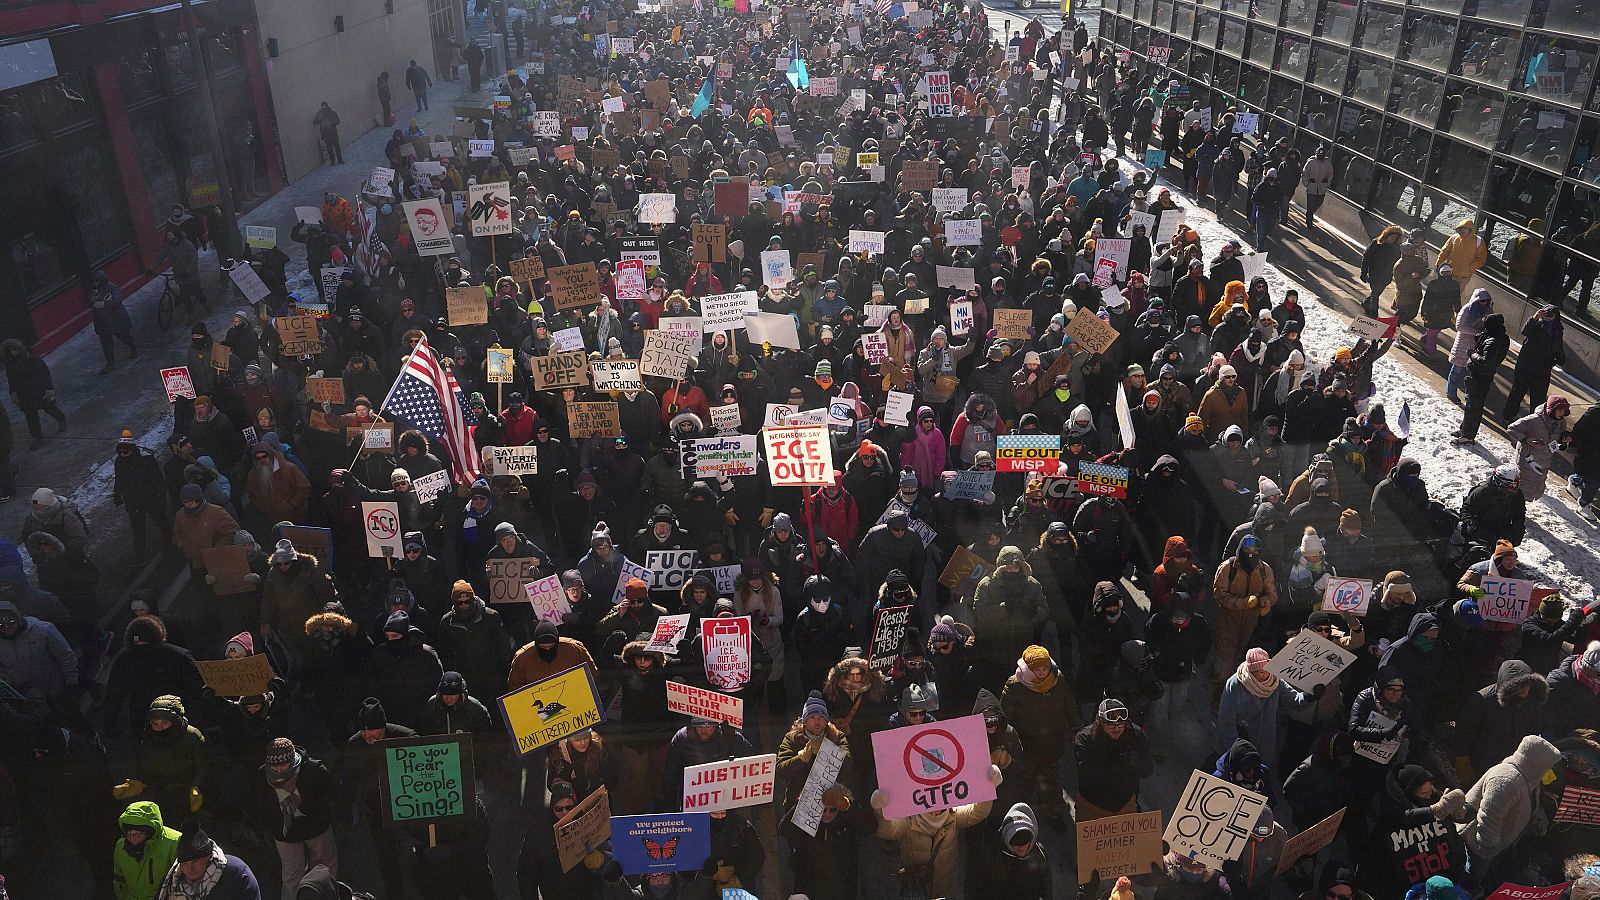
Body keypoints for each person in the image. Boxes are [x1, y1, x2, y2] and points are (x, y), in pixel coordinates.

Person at [157, 820, 263, 899]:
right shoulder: (171, 882)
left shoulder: (236, 874)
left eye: (195, 861)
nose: (190, 869)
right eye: (184, 864)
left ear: (209, 857)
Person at [1452, 313, 1508, 446]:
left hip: (1480, 376)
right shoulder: (1497, 336)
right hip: (1480, 375)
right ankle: (1464, 430)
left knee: (1474, 406)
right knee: (1471, 404)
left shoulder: (1494, 341)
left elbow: (1485, 361)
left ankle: (1468, 436)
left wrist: (1472, 354)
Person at [1, 339, 67, 448]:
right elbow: (11, 381)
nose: (13, 352)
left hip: (39, 390)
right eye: (10, 350)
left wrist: (48, 389)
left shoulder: (33, 359)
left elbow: (44, 374)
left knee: (49, 407)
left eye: (15, 349)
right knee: (31, 417)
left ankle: (61, 419)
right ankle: (36, 437)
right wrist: (13, 393)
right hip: (24, 395)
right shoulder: (10, 365)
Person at [114, 801, 182, 900]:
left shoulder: (175, 843)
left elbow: (184, 882)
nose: (131, 838)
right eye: (128, 833)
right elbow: (119, 880)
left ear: (149, 832)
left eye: (136, 834)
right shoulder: (121, 847)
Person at [89, 269, 138, 372]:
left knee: (123, 336)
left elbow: (117, 301)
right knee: (106, 343)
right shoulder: (94, 290)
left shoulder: (112, 288)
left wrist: (102, 304)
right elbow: (88, 301)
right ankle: (110, 363)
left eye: (97, 280)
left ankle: (133, 347)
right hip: (102, 322)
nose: (95, 283)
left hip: (116, 318)